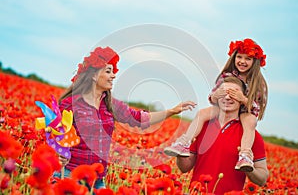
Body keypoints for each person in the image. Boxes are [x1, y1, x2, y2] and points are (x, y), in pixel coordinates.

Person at [54, 46, 196, 189]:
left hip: (97, 181)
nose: (114, 75)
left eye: (113, 71)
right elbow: (54, 134)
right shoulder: (71, 103)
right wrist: (57, 154)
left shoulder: (110, 105)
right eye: (108, 71)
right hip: (70, 175)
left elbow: (141, 119)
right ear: (94, 75)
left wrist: (172, 111)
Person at [164, 38, 268, 172]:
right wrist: (216, 95)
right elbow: (212, 98)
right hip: (223, 109)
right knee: (202, 113)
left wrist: (243, 99)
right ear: (233, 57)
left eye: (248, 59)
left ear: (255, 62)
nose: (242, 61)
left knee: (251, 121)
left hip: (245, 112)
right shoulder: (226, 75)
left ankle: (245, 155)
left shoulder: (258, 83)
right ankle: (184, 143)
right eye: (239, 57)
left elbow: (257, 108)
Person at [176, 76, 269, 194]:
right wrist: (179, 155)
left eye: (234, 93)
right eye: (223, 92)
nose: (227, 97)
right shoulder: (202, 127)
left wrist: (249, 168)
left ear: (242, 99)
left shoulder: (251, 135)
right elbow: (185, 168)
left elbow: (262, 179)